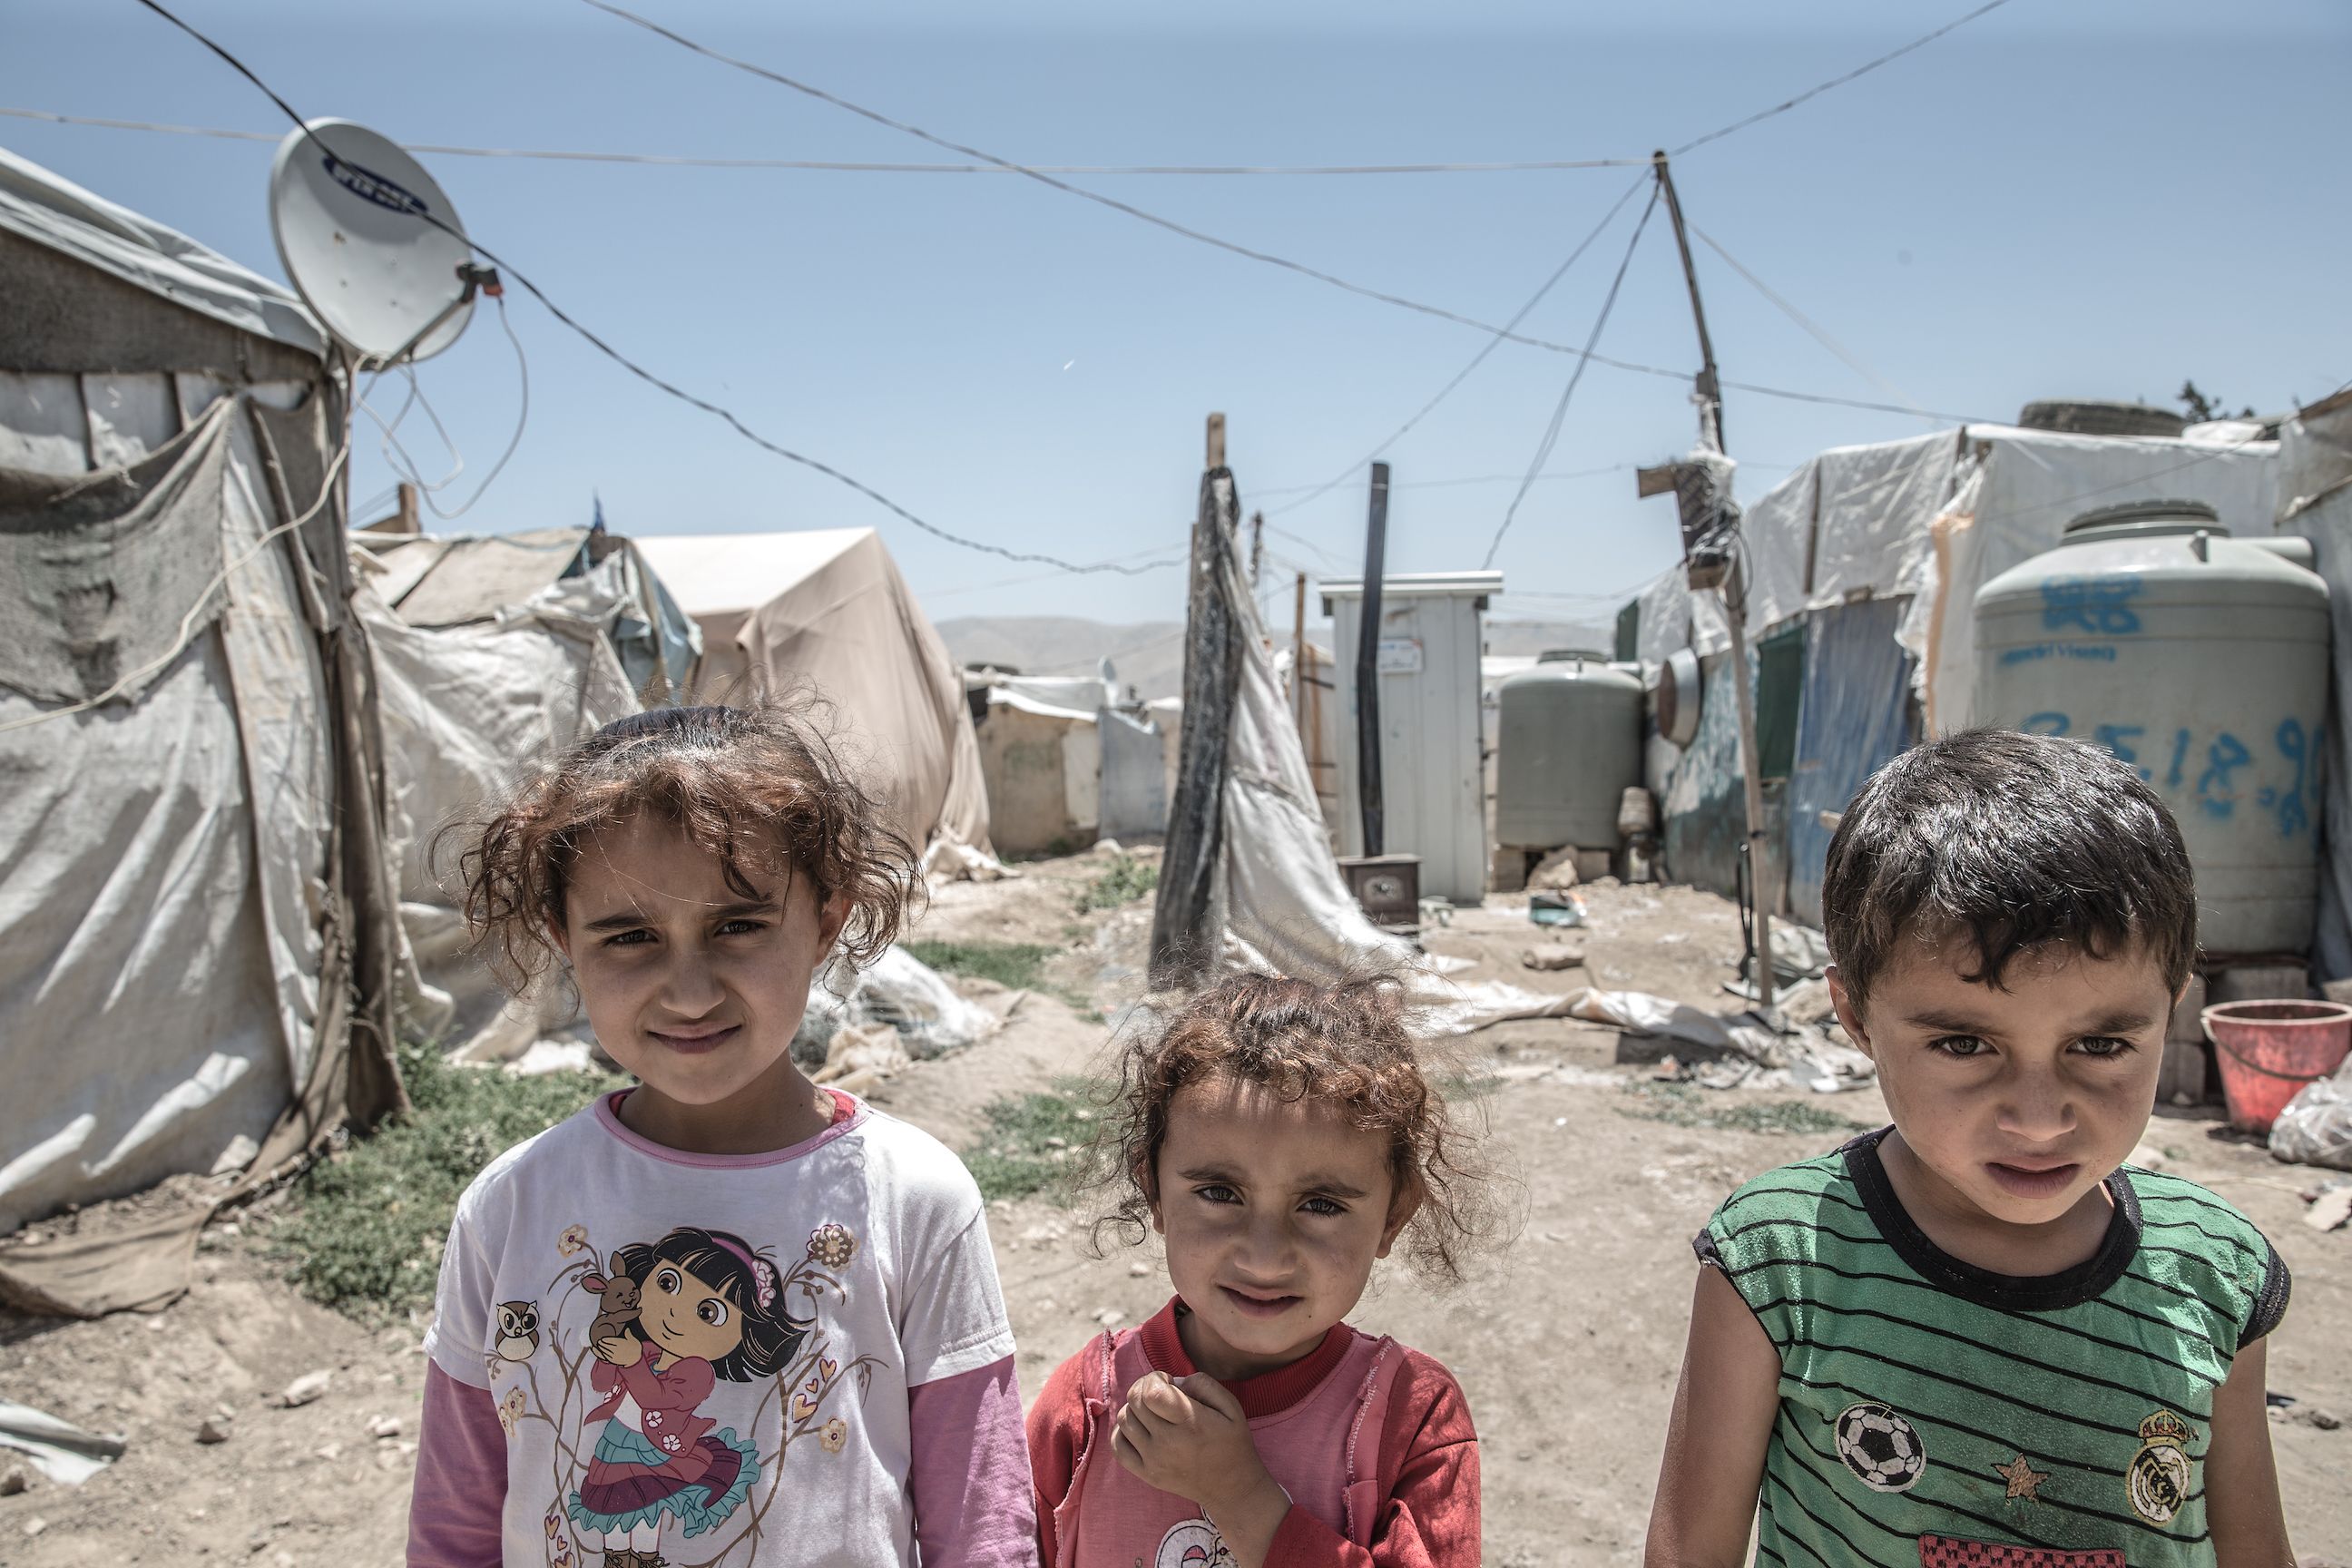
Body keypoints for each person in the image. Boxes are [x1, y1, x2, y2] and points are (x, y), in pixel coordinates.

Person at [1645, 729, 2296, 1567]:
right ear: (1855, 1017)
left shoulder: (2214, 1269)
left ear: (2171, 1008)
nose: (2037, 1119)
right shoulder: (1783, 1260)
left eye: (2099, 1046)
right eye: (1963, 1045)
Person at [407, 702, 1035, 1568]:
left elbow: (983, 1523)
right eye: (630, 937)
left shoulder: (916, 1198)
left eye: (737, 925)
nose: (690, 992)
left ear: (824, 920)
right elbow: (457, 1517)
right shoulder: (511, 1207)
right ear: (563, 939)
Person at [1028, 974, 1489, 1568]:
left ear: (1394, 1214)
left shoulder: (1413, 1419)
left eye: (1321, 1205)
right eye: (1220, 1193)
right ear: (1155, 1192)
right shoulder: (1087, 1404)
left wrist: (1238, 1495)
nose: (1264, 1257)